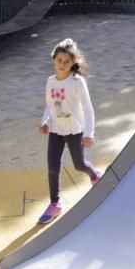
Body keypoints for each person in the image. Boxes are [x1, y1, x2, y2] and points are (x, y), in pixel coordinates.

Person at [37, 38, 101, 224]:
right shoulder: (50, 82)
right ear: (54, 60)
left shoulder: (77, 82)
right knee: (52, 167)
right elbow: (49, 107)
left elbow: (88, 110)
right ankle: (55, 203)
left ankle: (95, 175)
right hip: (56, 131)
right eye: (59, 61)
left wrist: (89, 133)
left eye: (66, 61)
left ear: (73, 62)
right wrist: (45, 123)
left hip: (75, 131)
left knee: (79, 165)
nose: (62, 64)